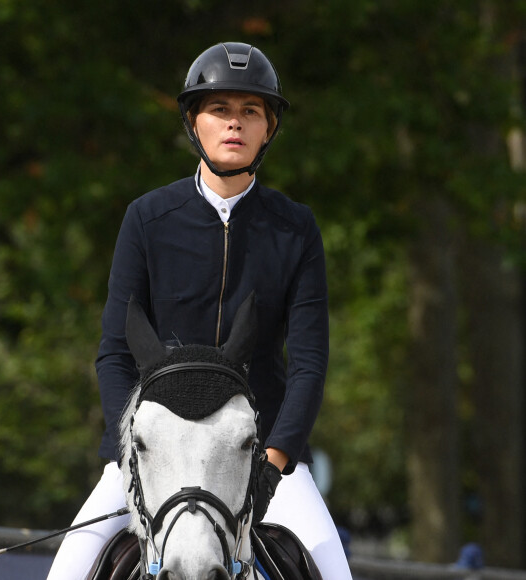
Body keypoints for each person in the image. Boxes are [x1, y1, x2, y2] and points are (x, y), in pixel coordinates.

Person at [47, 41, 352, 580]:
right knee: (67, 570)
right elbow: (115, 356)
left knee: (334, 568)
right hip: (153, 450)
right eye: (220, 110)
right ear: (194, 122)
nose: (235, 124)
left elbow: (308, 365)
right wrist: (132, 453)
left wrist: (273, 464)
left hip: (258, 452)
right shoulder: (146, 218)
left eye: (250, 112)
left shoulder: (296, 228)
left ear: (268, 129)